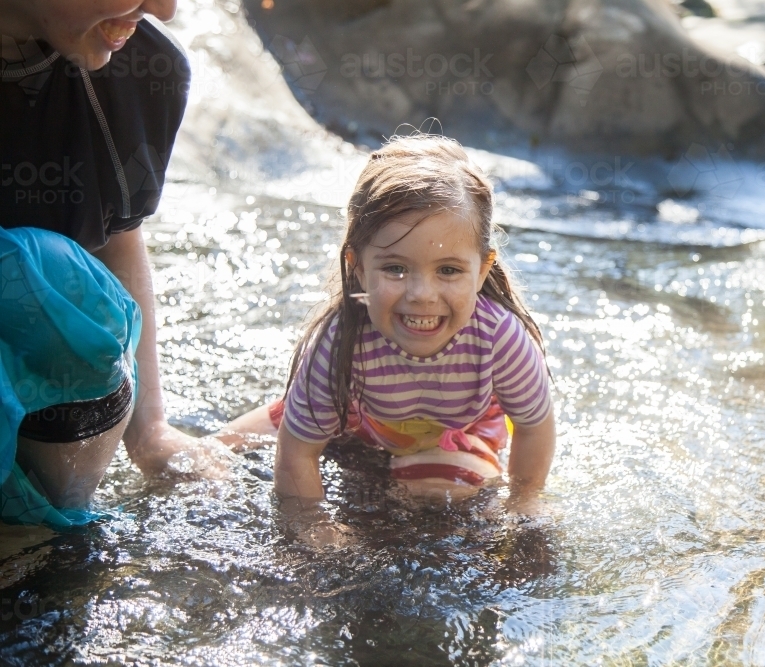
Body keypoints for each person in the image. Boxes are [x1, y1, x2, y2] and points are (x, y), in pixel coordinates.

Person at [224, 134, 556, 506]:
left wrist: (524, 503)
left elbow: (534, 426)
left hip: (460, 428)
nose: (422, 295)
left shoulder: (499, 336)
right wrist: (311, 529)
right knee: (206, 460)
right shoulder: (338, 342)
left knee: (451, 489)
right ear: (359, 267)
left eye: (448, 270)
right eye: (396, 268)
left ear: (482, 271)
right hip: (356, 416)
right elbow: (297, 452)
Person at [1, 0, 228, 527]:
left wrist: (150, 429)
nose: (165, 10)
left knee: (66, 282)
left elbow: (115, 232)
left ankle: (45, 518)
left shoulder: (137, 72)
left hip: (30, 388)